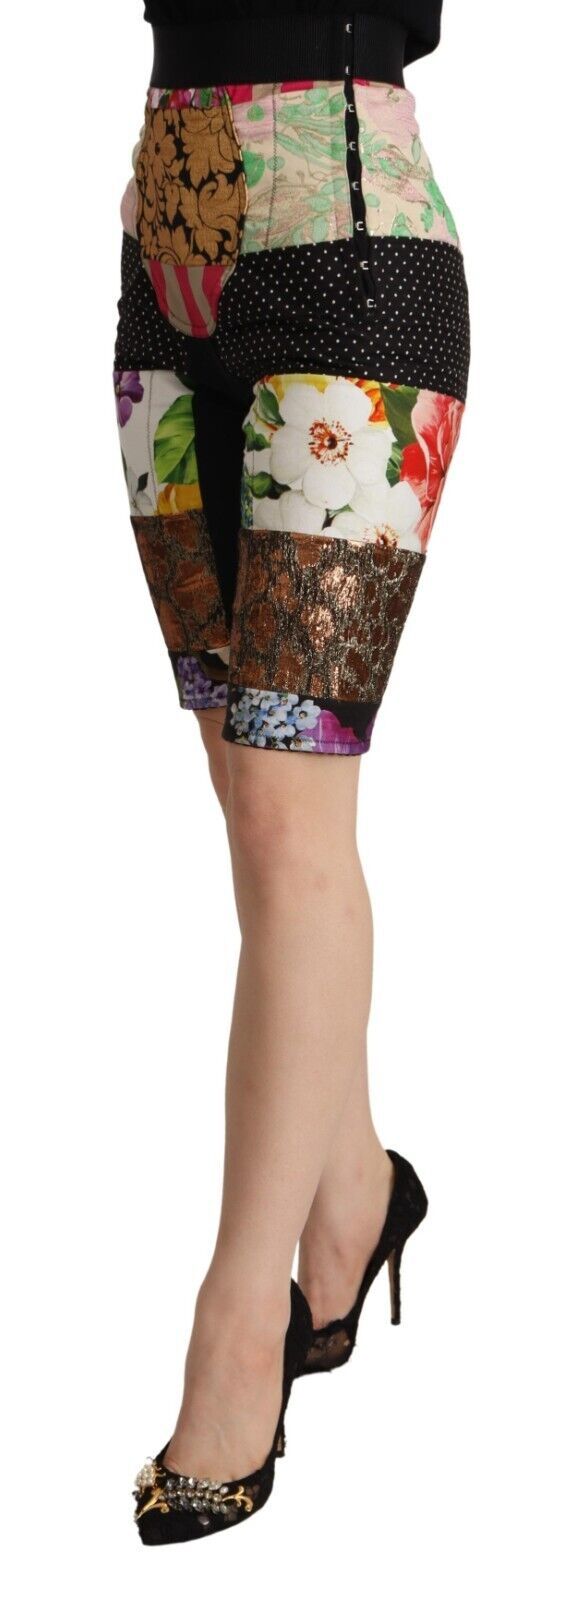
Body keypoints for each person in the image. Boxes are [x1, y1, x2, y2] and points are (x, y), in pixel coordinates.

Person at [114, 0, 470, 1543]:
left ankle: (236, 1329)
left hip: (353, 251)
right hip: (163, 259)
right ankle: (356, 1194)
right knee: (240, 784)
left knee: (285, 797)